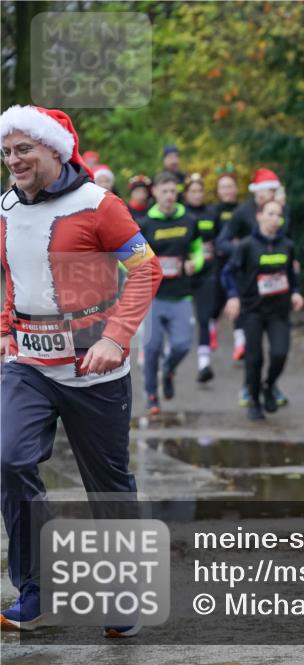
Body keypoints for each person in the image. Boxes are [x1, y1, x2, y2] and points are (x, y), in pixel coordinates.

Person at [0, 105, 162, 636]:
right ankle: (35, 588)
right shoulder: (5, 208)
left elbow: (145, 271)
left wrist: (116, 338)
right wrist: (6, 329)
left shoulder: (98, 206)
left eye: (23, 148)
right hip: (29, 363)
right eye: (6, 151)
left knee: (108, 483)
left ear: (54, 148)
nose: (13, 159)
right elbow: (11, 278)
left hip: (96, 369)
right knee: (8, 459)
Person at [221, 200, 303, 420]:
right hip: (253, 310)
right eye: (271, 214)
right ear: (259, 216)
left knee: (280, 353)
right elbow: (228, 273)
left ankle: (269, 386)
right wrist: (233, 297)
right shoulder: (247, 245)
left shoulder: (287, 245)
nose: (275, 219)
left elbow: (292, 275)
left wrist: (296, 292)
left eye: (279, 215)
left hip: (279, 311)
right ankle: (254, 401)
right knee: (254, 359)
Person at [139, 171, 204, 415]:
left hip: (181, 295)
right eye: (164, 191)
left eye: (172, 191)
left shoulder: (188, 220)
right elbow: (125, 257)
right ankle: (152, 395)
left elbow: (198, 250)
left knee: (182, 345)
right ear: (154, 192)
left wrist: (194, 264)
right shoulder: (146, 223)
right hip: (153, 296)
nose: (169, 196)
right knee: (153, 346)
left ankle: (168, 371)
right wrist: (142, 270)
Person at [216, 168, 281, 370]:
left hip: (275, 277)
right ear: (258, 192)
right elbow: (221, 241)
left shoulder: (281, 210)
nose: (271, 195)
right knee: (251, 320)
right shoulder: (243, 212)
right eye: (267, 191)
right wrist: (243, 250)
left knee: (277, 343)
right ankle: (242, 346)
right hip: (249, 275)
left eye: (274, 191)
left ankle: (271, 379)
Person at [195, 171, 240, 379]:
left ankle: (241, 343)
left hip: (239, 264)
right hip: (217, 264)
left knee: (239, 300)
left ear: (237, 189)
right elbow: (208, 234)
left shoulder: (243, 211)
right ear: (218, 191)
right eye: (223, 187)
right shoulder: (212, 211)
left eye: (231, 186)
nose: (228, 191)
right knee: (215, 303)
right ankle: (212, 324)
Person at [184, 173, 220, 384]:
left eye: (200, 191)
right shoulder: (181, 215)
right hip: (185, 275)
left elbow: (221, 237)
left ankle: (204, 363)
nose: (197, 195)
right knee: (184, 321)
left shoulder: (212, 213)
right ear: (186, 194)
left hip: (208, 272)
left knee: (204, 318)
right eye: (193, 191)